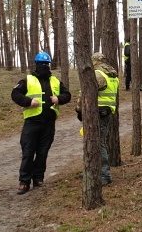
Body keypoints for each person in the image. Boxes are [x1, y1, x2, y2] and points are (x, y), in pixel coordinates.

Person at [11, 51, 71, 194]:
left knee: (43, 152)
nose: (44, 66)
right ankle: (24, 182)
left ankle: (38, 178)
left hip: (49, 123)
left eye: (46, 64)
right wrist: (29, 101)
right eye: (41, 64)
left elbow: (67, 95)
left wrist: (59, 99)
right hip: (32, 123)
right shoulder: (27, 80)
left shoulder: (55, 81)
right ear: (36, 65)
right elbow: (15, 94)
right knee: (28, 152)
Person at [76, 52, 119, 185]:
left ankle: (104, 175)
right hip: (106, 112)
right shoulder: (113, 76)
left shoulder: (98, 74)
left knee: (98, 143)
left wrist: (79, 109)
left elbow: (85, 92)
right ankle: (92, 171)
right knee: (94, 141)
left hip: (97, 111)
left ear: (95, 62)